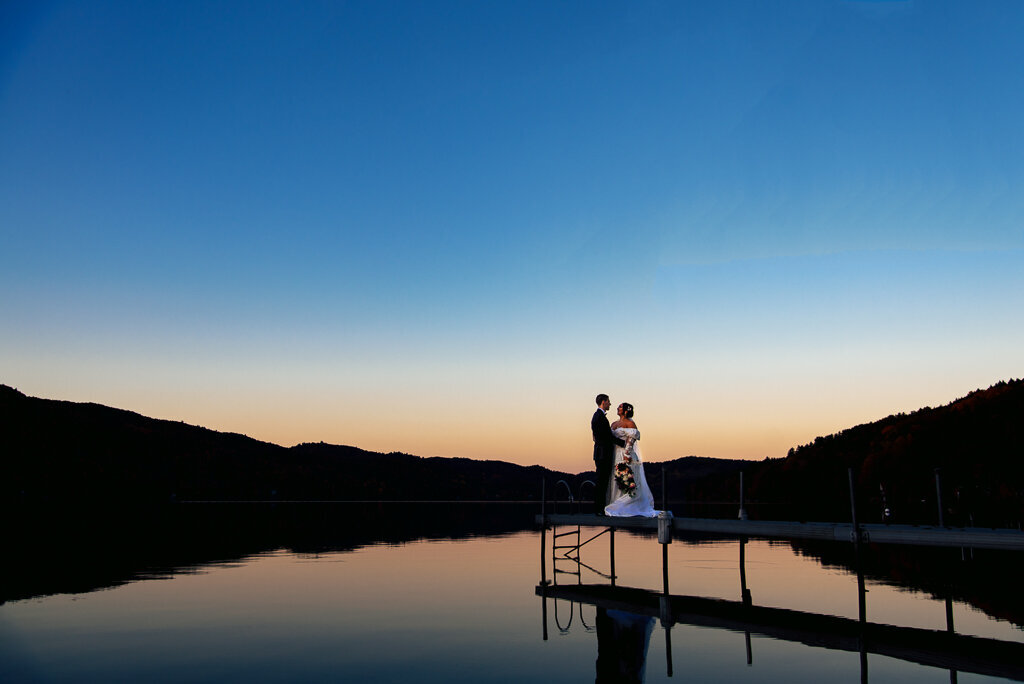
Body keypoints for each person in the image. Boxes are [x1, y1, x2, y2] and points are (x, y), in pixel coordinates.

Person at [605, 402, 657, 517]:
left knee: (627, 478)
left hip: (625, 453)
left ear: (625, 410)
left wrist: (627, 453)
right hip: (615, 454)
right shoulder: (614, 424)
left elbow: (631, 439)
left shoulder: (630, 423)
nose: (617, 408)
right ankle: (615, 503)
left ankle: (627, 505)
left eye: (620, 407)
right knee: (616, 478)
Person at [591, 394, 625, 515]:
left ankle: (600, 508)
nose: (610, 404)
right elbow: (607, 437)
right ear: (603, 402)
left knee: (603, 481)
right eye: (608, 401)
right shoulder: (599, 417)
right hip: (602, 454)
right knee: (602, 482)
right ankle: (599, 509)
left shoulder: (598, 416)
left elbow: (596, 436)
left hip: (601, 453)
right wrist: (623, 443)